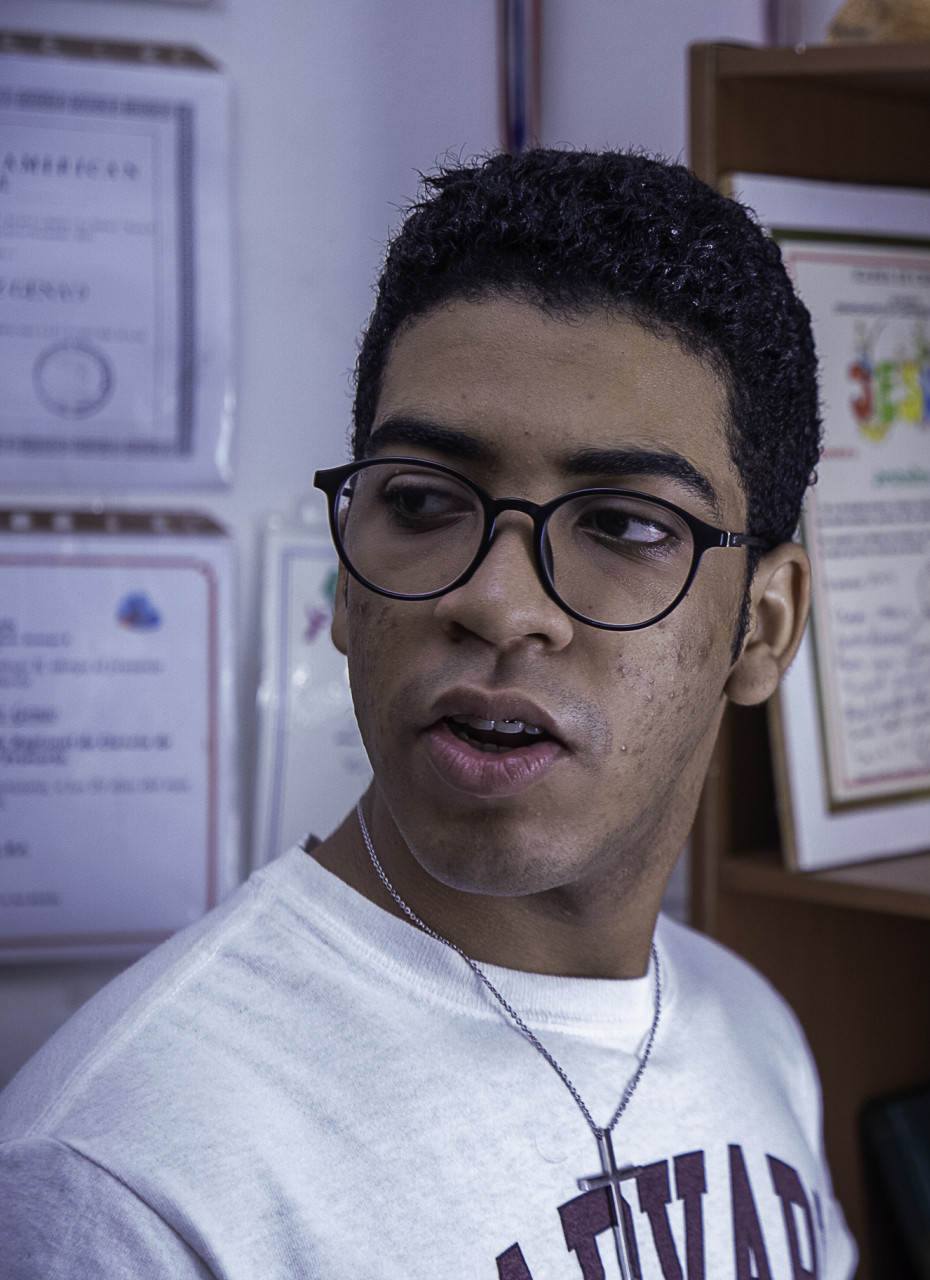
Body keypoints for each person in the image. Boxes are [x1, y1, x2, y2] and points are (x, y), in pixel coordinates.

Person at [0, 150, 853, 1280]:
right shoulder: (122, 1176)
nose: (496, 601)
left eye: (623, 524)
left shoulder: (753, 1030)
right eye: (420, 501)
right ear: (346, 589)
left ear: (765, 627)